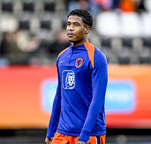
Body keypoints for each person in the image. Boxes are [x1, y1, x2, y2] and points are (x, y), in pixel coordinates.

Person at [45, 9, 108, 144]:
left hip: (88, 133)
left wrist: (85, 134)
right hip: (62, 132)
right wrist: (51, 129)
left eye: (76, 25)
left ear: (87, 29)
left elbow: (98, 99)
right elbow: (59, 95)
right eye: (68, 24)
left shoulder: (96, 57)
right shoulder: (62, 56)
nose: (70, 29)